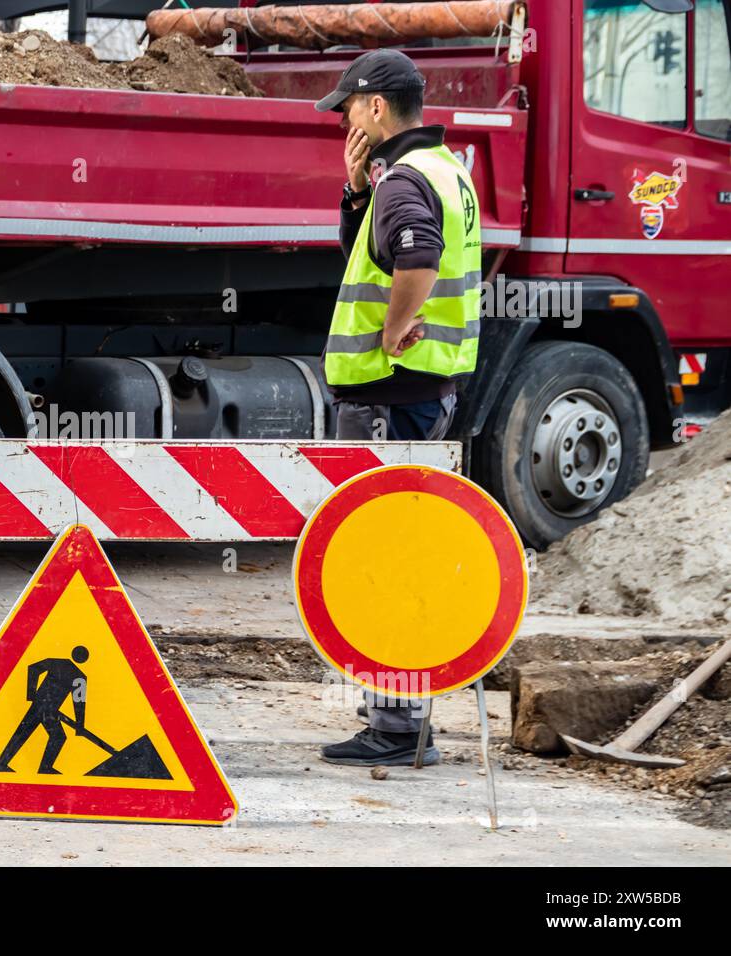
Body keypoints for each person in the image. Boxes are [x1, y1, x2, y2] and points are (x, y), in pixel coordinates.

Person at [314, 49, 482, 767]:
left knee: (382, 558)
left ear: (377, 107)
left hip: (391, 396)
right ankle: (399, 718)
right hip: (425, 392)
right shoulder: (446, 171)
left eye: (349, 106)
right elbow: (384, 255)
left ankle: (397, 727)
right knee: (400, 548)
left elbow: (417, 257)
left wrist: (390, 333)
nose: (345, 118)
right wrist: (356, 192)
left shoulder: (406, 181)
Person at [0, 646, 89, 774]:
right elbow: (79, 703)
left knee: (22, 733)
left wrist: (32, 695)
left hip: (41, 706)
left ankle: (1, 764)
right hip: (48, 710)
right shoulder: (79, 676)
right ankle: (45, 768)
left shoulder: (60, 664)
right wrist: (79, 726)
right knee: (57, 736)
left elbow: (34, 668)